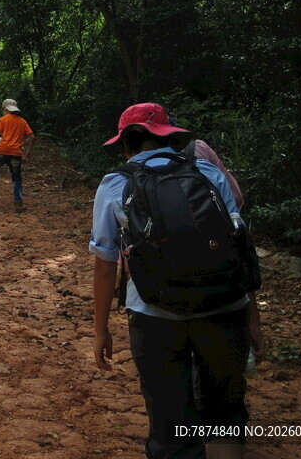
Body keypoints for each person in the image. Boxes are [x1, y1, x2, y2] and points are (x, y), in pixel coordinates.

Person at [90, 103, 265, 459]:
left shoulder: (114, 185)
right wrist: (253, 318)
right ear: (170, 136)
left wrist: (100, 330)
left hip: (154, 314)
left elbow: (105, 265)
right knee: (223, 415)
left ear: (125, 145)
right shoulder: (206, 172)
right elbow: (241, 247)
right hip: (225, 306)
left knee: (171, 424)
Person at [0, 98, 35, 211]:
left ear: (5, 109)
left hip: (1, 151)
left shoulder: (2, 120)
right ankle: (18, 203)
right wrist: (29, 151)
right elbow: (32, 136)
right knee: (16, 178)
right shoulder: (22, 121)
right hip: (16, 154)